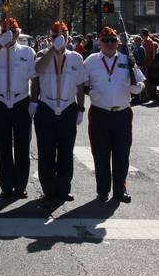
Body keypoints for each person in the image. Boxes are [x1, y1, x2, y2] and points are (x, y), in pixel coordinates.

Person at [83, 26, 145, 203]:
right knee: (100, 154)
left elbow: (141, 81)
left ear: (118, 43)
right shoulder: (91, 61)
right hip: (99, 114)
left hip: (122, 114)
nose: (109, 44)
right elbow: (80, 83)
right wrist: (90, 92)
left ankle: (120, 190)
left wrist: (138, 88)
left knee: (122, 154)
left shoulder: (128, 59)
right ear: (99, 43)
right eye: (105, 40)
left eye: (113, 40)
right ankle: (102, 191)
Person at [0, 17, 38, 199]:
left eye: (13, 31)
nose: (10, 34)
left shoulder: (27, 52)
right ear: (0, 33)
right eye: (6, 31)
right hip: (0, 103)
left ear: (18, 32)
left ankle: (21, 186)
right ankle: (6, 186)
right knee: (3, 148)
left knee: (22, 148)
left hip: (21, 102)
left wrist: (34, 102)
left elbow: (34, 79)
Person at [33, 21, 87, 202]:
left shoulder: (76, 58)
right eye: (55, 36)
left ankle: (64, 188)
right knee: (46, 151)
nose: (58, 39)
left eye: (61, 36)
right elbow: (38, 70)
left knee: (65, 152)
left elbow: (80, 86)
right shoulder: (42, 54)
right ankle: (48, 189)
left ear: (67, 37)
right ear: (50, 37)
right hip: (47, 107)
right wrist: (52, 50)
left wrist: (80, 108)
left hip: (67, 108)